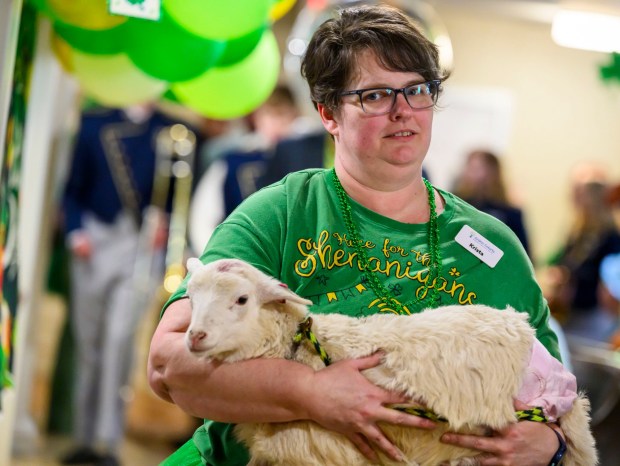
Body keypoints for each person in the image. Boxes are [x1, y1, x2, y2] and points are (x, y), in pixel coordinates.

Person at [148, 5, 568, 465]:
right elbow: (168, 363)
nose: (402, 111)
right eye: (375, 96)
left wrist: (551, 445)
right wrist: (308, 392)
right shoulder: (281, 213)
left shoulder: (494, 246)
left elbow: (557, 398)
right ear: (329, 112)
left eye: (417, 90)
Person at [60, 104, 186, 466]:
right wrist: (75, 232)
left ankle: (107, 443)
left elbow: (176, 197)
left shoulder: (170, 130)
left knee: (118, 343)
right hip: (94, 244)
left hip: (139, 246)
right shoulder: (94, 123)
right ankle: (82, 438)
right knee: (89, 345)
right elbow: (71, 190)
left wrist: (164, 223)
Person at [544, 163, 620, 342]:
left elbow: (608, 289)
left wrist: (574, 290)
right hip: (572, 315)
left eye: (581, 194)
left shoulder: (611, 238)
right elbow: (561, 261)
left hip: (591, 319)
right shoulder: (578, 231)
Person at [453, 149, 531, 255]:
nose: (469, 173)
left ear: (492, 173)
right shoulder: (457, 205)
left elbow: (524, 254)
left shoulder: (510, 212)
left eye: (476, 169)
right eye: (469, 167)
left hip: (496, 267)